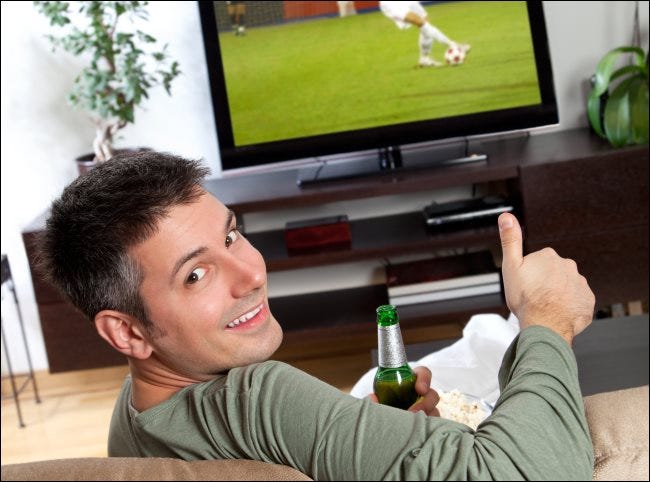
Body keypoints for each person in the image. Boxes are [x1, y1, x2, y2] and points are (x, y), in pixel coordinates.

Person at [38, 151, 595, 480]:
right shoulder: (257, 398)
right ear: (126, 331)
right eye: (196, 274)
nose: (252, 273)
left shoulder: (134, 412)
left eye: (231, 235)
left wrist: (361, 431)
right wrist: (547, 319)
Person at [379, 1, 470, 67]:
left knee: (425, 20)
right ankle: (451, 44)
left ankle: (424, 59)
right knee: (420, 22)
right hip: (392, 3)